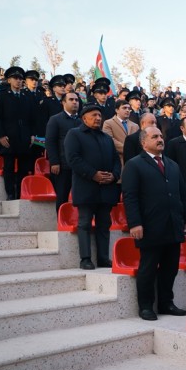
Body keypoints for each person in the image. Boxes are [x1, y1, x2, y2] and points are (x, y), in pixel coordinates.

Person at [122, 126, 186, 320]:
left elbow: (183, 194)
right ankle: (145, 306)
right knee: (148, 268)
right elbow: (130, 197)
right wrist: (135, 223)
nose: (160, 139)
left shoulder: (172, 165)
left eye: (161, 136)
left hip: (173, 224)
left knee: (170, 268)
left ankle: (166, 303)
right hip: (150, 226)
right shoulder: (134, 164)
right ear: (143, 142)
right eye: (155, 137)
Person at [64, 104, 121, 270]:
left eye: (99, 115)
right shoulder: (74, 134)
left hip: (106, 189)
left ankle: (103, 258)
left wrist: (114, 175)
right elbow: (73, 159)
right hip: (86, 188)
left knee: (104, 224)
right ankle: (85, 259)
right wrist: (93, 174)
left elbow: (116, 161)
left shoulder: (106, 138)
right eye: (94, 115)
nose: (98, 118)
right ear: (84, 118)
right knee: (85, 224)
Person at [0, 66, 38, 200]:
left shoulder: (27, 96)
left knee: (24, 168)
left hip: (24, 137)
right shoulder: (2, 95)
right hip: (9, 137)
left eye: (20, 78)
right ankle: (10, 193)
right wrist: (1, 135)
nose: (19, 81)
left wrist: (32, 135)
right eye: (16, 78)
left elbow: (32, 118)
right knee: (8, 167)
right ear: (9, 80)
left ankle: (20, 192)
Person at [45, 91, 82, 212]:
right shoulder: (55, 119)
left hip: (80, 166)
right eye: (71, 100)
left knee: (81, 197)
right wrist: (54, 162)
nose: (75, 102)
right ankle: (61, 223)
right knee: (62, 197)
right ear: (63, 103)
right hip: (62, 165)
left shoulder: (82, 121)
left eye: (76, 100)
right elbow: (50, 142)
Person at [103, 100, 139, 167]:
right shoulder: (108, 123)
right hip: (117, 161)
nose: (127, 110)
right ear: (117, 110)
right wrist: (128, 150)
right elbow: (110, 140)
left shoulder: (135, 126)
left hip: (134, 161)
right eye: (124, 108)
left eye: (129, 108)